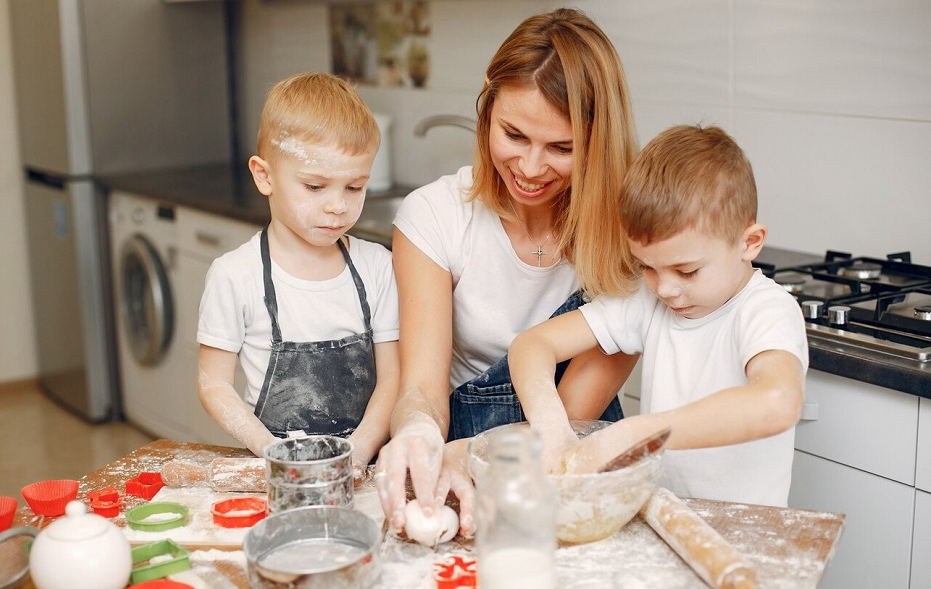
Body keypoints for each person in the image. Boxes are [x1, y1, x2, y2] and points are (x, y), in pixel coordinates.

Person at [375, 8, 640, 535]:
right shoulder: (435, 216)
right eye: (514, 135)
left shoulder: (631, 229)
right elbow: (422, 389)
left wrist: (471, 454)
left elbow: (563, 428)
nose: (532, 167)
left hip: (569, 461)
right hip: (453, 456)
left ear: (597, 140)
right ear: (487, 105)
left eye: (563, 148)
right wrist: (418, 433)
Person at [510, 124, 809, 507]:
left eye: (687, 271)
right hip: (665, 523)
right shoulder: (648, 301)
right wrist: (550, 425)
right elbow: (532, 344)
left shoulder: (766, 310)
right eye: (647, 267)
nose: (665, 288)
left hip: (743, 538)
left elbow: (777, 402)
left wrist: (634, 433)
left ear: (748, 243)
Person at [196, 72, 400, 475]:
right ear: (264, 176)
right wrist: (273, 452)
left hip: (368, 466)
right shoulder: (236, 275)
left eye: (354, 188)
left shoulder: (377, 266)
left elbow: (393, 377)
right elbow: (213, 384)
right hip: (277, 467)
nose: (338, 206)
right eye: (315, 186)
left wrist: (358, 451)